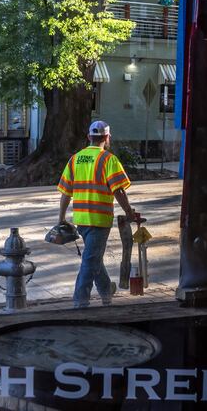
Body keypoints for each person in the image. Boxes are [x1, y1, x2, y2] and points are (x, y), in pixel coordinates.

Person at [57, 121, 135, 308]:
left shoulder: (75, 159)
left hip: (81, 220)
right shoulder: (108, 159)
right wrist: (129, 211)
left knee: (93, 257)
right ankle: (80, 301)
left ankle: (106, 291)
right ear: (107, 138)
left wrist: (60, 219)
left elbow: (65, 192)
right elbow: (119, 190)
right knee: (90, 260)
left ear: (88, 137)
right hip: (100, 220)